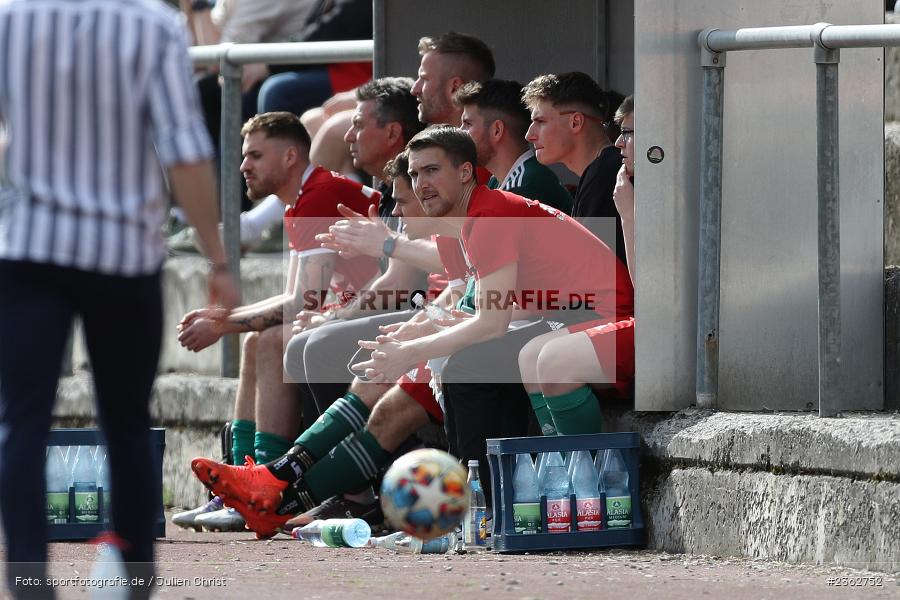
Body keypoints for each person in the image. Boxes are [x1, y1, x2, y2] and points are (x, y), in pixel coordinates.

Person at [0, 1, 238, 598]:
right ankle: (134, 580)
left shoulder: (10, 17)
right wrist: (217, 257)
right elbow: (184, 149)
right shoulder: (152, 25)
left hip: (30, 246)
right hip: (124, 253)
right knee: (126, 419)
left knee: (21, 419)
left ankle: (28, 577)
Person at [174, 112, 378, 530]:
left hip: (381, 313)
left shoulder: (320, 194)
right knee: (258, 340)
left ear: (289, 157)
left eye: (254, 155)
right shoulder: (301, 200)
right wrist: (226, 319)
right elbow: (297, 298)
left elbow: (303, 301)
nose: (243, 166)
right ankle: (240, 484)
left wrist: (223, 324)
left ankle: (261, 489)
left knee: (270, 340)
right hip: (348, 314)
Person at [518, 95, 636, 436]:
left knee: (554, 360)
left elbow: (646, 292)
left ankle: (586, 472)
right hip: (632, 318)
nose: (618, 143)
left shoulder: (650, 189)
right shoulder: (623, 183)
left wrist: (628, 215)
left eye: (628, 132)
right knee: (530, 355)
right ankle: (561, 470)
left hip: (666, 332)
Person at [522, 72, 627, 266]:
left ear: (576, 122)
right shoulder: (601, 172)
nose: (530, 135)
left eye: (540, 121)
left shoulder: (606, 175)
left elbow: (596, 280)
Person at [455, 78, 572, 212]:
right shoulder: (497, 181)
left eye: (468, 124)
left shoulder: (524, 186)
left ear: (497, 130)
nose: (460, 131)